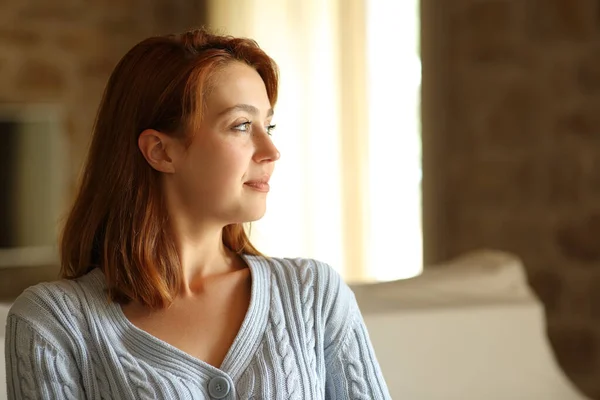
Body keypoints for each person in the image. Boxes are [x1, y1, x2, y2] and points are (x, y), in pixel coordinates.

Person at [5, 28, 391, 399]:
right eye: (241, 125)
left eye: (268, 125)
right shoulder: (52, 323)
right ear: (161, 151)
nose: (271, 151)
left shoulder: (313, 295)